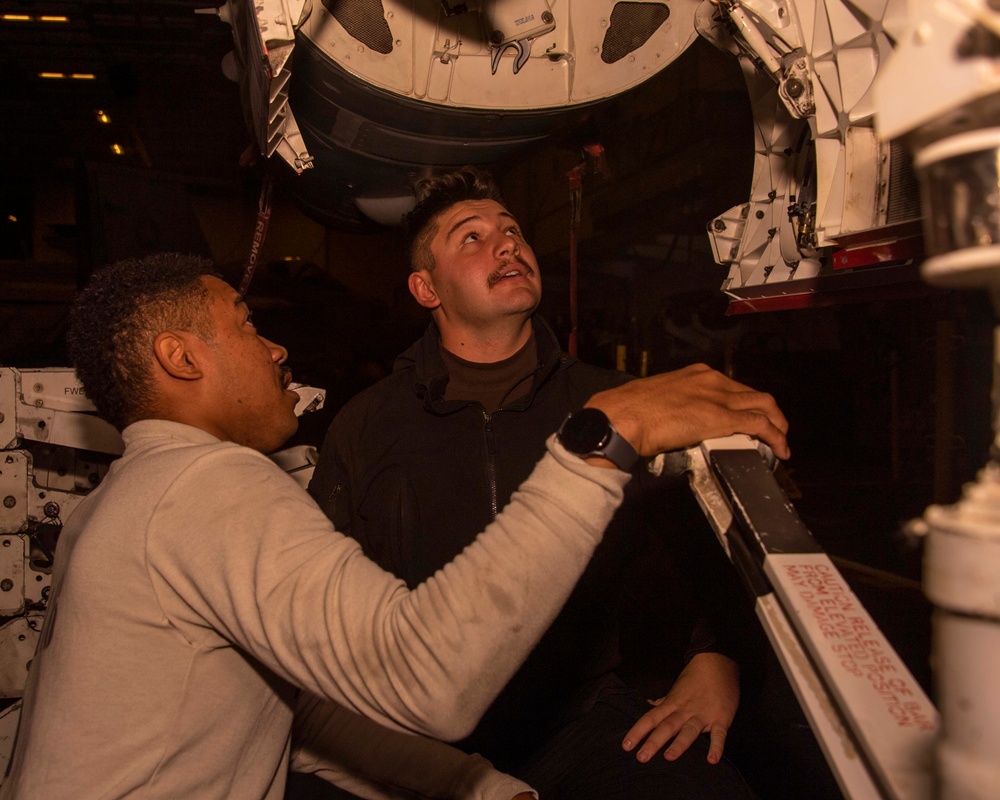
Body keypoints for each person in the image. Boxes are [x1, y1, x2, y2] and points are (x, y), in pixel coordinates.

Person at [1, 253, 788, 799]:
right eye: (244, 325)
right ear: (181, 359)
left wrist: (477, 787)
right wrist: (604, 436)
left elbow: (291, 715)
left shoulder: (122, 499)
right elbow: (423, 678)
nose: (276, 347)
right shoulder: (203, 481)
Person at [308, 168, 766, 799]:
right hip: (417, 733)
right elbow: (325, 594)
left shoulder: (613, 402)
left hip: (581, 717)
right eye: (471, 238)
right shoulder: (366, 425)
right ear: (425, 288)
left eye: (513, 231)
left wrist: (715, 656)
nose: (507, 245)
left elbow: (695, 541)